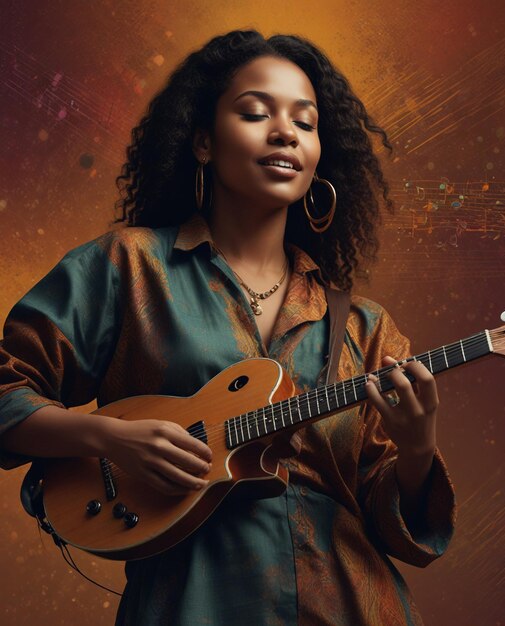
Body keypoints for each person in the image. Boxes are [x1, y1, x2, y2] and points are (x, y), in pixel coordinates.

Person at [0, 30, 455, 625]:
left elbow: (397, 520)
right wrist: (109, 439)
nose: (285, 132)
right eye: (255, 112)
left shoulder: (366, 327)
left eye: (306, 121)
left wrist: (417, 450)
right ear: (203, 142)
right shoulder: (130, 267)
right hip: (189, 603)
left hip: (351, 604)